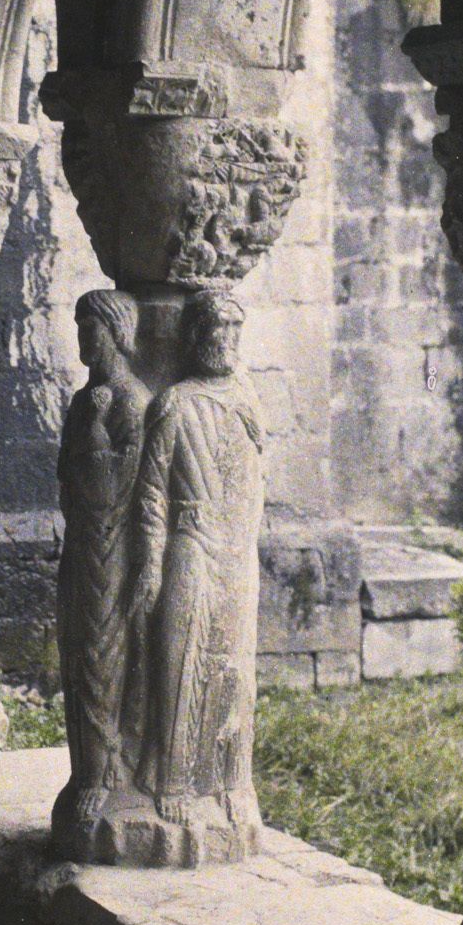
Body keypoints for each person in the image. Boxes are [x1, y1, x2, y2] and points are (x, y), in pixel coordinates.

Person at [124, 291, 265, 813]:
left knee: (230, 669)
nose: (223, 340)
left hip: (236, 551)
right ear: (193, 336)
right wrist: (150, 563)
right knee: (179, 660)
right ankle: (172, 780)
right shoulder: (175, 403)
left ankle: (224, 781)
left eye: (232, 329)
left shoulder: (247, 402)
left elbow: (256, 478)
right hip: (191, 545)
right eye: (214, 328)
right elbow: (153, 490)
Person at [53, 289, 148, 822]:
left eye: (90, 328)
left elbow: (114, 489)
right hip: (83, 543)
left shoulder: (129, 403)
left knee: (101, 656)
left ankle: (103, 773)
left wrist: (92, 430)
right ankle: (86, 766)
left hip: (112, 548)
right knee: (77, 647)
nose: (83, 339)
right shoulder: (85, 400)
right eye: (80, 327)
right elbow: (66, 479)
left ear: (116, 333)